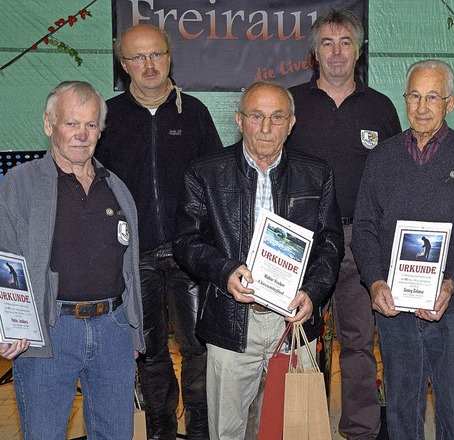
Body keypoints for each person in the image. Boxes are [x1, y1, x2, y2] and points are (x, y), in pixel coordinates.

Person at [172, 80, 344, 439]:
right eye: (256, 116)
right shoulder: (204, 172)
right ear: (239, 120)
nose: (266, 128)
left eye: (277, 117)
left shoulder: (317, 173)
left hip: (294, 322)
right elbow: (186, 242)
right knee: (228, 430)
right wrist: (225, 271)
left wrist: (312, 292)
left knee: (293, 428)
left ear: (292, 123)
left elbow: (330, 243)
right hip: (232, 323)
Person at [352, 60, 454, 439]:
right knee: (402, 412)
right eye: (414, 96)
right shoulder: (382, 158)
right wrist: (374, 282)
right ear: (404, 100)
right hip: (395, 313)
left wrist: (451, 284)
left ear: (450, 103)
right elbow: (365, 229)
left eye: (432, 97)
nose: (422, 107)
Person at [95, 24, 223, 439]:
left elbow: (218, 184)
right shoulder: (107, 118)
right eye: (138, 57)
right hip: (134, 256)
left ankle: (202, 431)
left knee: (198, 349)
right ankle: (161, 432)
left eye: (156, 55)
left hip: (189, 252)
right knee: (149, 355)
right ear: (124, 64)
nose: (148, 65)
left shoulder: (196, 114)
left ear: (169, 57)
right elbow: (93, 184)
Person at [0, 81, 145, 439]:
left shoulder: (116, 186)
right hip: (50, 331)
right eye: (71, 123)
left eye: (91, 125)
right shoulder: (20, 182)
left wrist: (134, 331)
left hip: (113, 330)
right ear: (49, 125)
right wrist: (8, 324)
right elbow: (3, 256)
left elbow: (130, 267)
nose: (82, 134)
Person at [285, 9, 401, 439]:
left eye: (346, 43)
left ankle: (360, 431)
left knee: (357, 345)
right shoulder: (290, 103)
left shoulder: (382, 108)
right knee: (298, 344)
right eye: (327, 44)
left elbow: (396, 178)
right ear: (314, 53)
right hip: (302, 244)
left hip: (359, 243)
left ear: (359, 50)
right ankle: (301, 428)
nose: (337, 53)